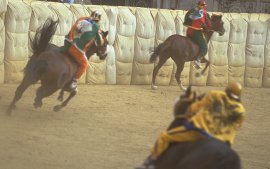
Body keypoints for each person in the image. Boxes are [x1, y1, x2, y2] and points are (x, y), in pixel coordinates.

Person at [136, 81, 245, 169]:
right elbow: (236, 127)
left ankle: (150, 163)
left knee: (164, 137)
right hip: (224, 142)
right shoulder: (241, 111)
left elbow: (194, 108)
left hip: (199, 132)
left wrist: (190, 115)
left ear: (227, 90)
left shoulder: (216, 95)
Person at [61, 10, 102, 89]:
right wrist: (99, 44)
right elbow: (98, 38)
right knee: (84, 65)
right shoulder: (97, 26)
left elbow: (75, 27)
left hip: (69, 42)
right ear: (99, 18)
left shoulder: (82, 19)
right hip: (77, 50)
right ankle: (74, 81)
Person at [184, 0, 212, 69]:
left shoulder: (191, 11)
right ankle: (198, 60)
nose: (203, 6)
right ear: (198, 5)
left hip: (189, 31)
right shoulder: (204, 13)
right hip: (196, 32)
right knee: (204, 48)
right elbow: (208, 24)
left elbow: (186, 21)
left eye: (204, 5)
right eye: (202, 5)